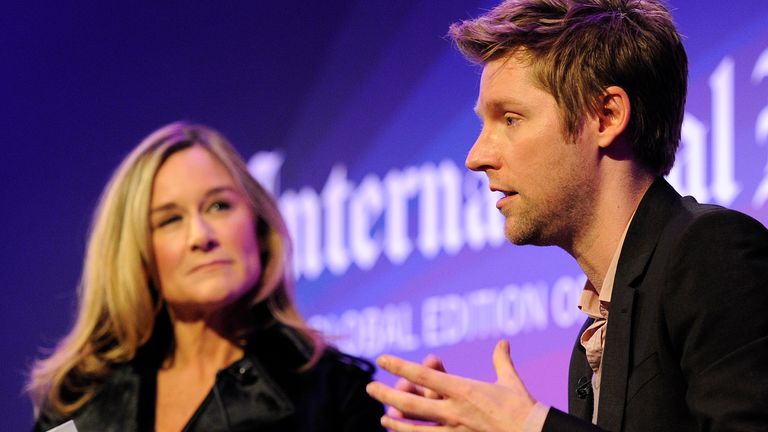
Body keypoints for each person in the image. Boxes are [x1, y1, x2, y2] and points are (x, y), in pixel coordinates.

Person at [366, 0, 768, 431]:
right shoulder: (593, 338)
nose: (476, 157)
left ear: (606, 116)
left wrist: (532, 426)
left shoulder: (710, 252)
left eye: (511, 119)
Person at [28, 122, 385, 431]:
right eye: (170, 219)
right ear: (138, 256)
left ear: (258, 227)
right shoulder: (79, 397)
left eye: (219, 206)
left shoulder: (334, 393)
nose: (201, 236)